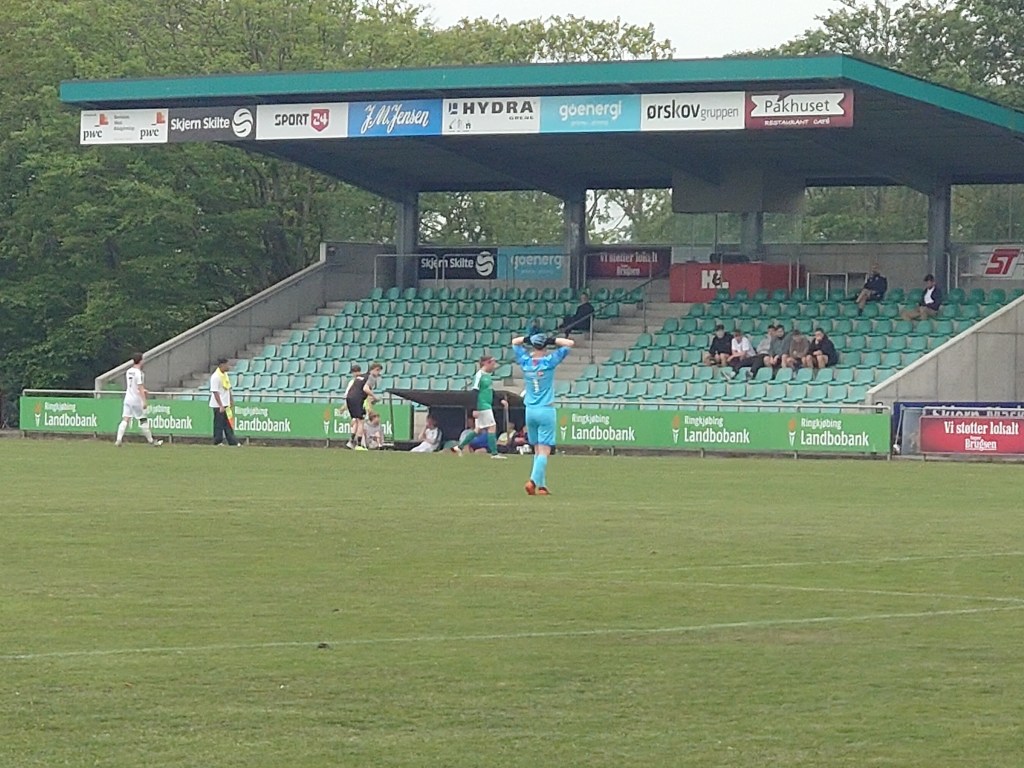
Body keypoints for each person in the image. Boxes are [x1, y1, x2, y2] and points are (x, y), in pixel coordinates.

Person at [512, 332, 574, 495]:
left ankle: (542, 486)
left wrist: (528, 339)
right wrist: (551, 340)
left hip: (530, 410)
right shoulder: (548, 362)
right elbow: (569, 343)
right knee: (545, 451)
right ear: (545, 346)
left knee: (538, 449)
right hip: (545, 409)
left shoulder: (526, 361)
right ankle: (533, 481)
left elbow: (514, 342)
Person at [452, 355, 506, 458]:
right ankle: (494, 453)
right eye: (492, 363)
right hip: (483, 405)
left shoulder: (487, 376)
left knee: (478, 430)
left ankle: (460, 447)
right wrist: (474, 408)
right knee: (492, 427)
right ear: (486, 363)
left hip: (486, 404)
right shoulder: (479, 375)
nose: (494, 366)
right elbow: (474, 392)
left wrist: (500, 400)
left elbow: (490, 391)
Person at [115, 353, 162, 447]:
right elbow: (139, 387)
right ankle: (151, 441)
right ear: (141, 361)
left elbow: (133, 385)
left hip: (128, 398)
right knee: (143, 419)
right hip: (136, 400)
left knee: (125, 419)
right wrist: (144, 401)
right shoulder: (139, 373)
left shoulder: (129, 371)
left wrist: (143, 390)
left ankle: (118, 439)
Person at [344, 362, 382, 450]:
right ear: (373, 370)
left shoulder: (360, 376)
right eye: (378, 371)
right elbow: (365, 389)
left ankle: (351, 442)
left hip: (349, 398)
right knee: (361, 421)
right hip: (357, 399)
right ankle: (359, 445)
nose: (378, 373)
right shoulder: (371, 378)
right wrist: (375, 397)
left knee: (356, 420)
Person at [210, 357, 239, 446]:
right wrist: (220, 405)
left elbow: (228, 388)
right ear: (222, 365)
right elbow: (215, 392)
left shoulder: (225, 375)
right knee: (219, 424)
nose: (228, 366)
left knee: (228, 423)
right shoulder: (215, 377)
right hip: (218, 405)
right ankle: (217, 441)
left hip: (226, 404)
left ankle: (232, 441)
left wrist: (231, 400)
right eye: (227, 364)